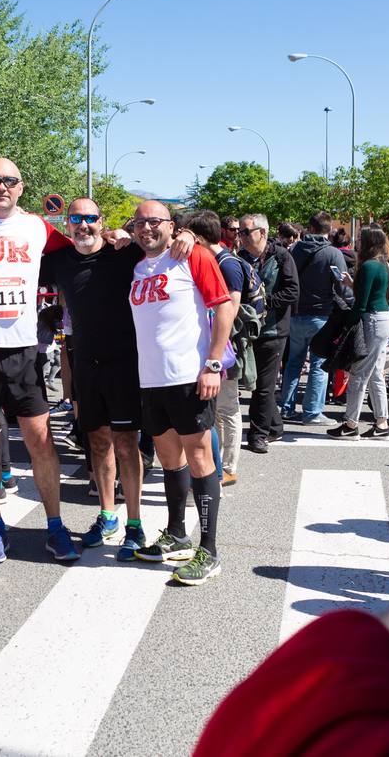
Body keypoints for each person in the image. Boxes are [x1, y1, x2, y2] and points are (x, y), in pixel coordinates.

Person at [0, 158, 81, 564]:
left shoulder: (37, 228)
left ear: (21, 188)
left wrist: (115, 238)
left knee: (41, 439)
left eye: (10, 181)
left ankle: (55, 526)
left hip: (24, 351)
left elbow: (81, 251)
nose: (2, 186)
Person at [38, 197, 160, 556]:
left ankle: (134, 523)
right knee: (98, 443)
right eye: (76, 219)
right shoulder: (59, 262)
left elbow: (163, 240)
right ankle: (108, 515)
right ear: (67, 224)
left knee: (127, 443)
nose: (84, 225)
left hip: (124, 364)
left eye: (91, 218)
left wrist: (180, 233)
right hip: (85, 365)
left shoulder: (124, 254)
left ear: (101, 221)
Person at [128, 200, 236, 585]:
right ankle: (177, 535)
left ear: (171, 226)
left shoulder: (195, 257)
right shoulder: (137, 265)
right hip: (151, 380)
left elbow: (223, 308)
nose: (146, 229)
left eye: (154, 222)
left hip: (189, 377)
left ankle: (209, 549)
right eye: (139, 223)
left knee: (200, 457)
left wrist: (212, 363)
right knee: (168, 458)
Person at [179, 210, 244, 486]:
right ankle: (216, 464)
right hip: (208, 349)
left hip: (221, 352)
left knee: (227, 410)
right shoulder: (215, 259)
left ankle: (227, 467)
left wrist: (213, 359)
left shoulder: (226, 264)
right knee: (213, 414)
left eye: (192, 237)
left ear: (201, 238)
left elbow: (228, 310)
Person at [280, 211, 350, 425]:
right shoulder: (333, 253)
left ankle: (286, 408)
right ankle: (312, 412)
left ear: (309, 228)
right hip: (321, 315)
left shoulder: (294, 250)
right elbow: (342, 287)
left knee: (293, 363)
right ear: (329, 229)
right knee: (319, 364)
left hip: (295, 313)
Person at [237, 213, 299, 453]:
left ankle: (258, 435)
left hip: (274, 331)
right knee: (256, 384)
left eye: (245, 232)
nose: (240, 236)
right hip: (248, 331)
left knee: (264, 386)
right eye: (239, 232)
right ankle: (274, 425)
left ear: (261, 233)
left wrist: (263, 301)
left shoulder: (282, 256)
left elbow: (292, 293)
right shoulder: (239, 258)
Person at [328, 227, 389, 439]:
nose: (357, 242)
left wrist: (346, 325)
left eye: (360, 239)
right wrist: (352, 284)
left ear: (367, 243)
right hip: (384, 319)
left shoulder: (367, 266)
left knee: (358, 374)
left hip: (373, 320)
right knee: (375, 373)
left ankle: (350, 424)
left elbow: (361, 305)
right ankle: (382, 423)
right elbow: (373, 294)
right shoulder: (382, 265)